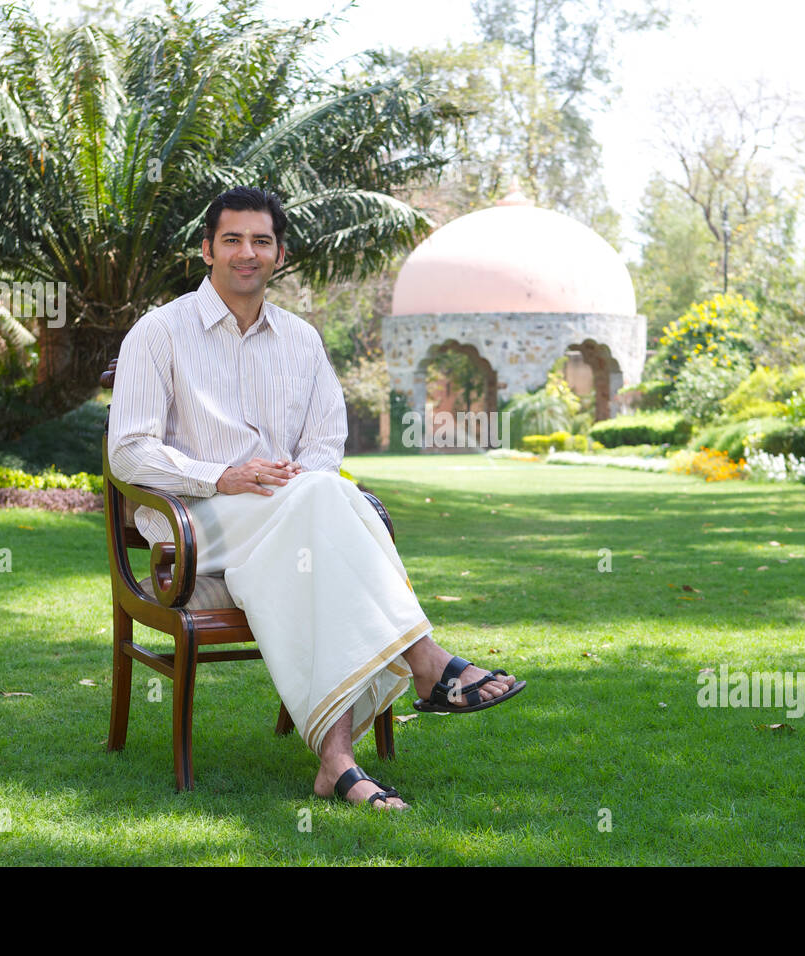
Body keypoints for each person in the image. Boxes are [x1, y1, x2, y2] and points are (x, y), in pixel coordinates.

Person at [107, 186, 525, 811]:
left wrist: (294, 484)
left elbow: (328, 443)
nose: (247, 253)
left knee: (320, 514)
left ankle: (337, 762)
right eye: (232, 240)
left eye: (261, 241)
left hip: (292, 523)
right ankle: (427, 660)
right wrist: (224, 475)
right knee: (327, 506)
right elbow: (129, 453)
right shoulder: (159, 333)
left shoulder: (301, 341)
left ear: (279, 254)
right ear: (206, 250)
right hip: (197, 525)